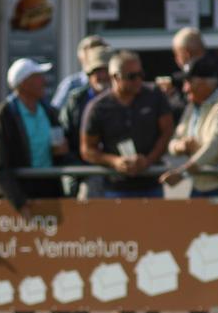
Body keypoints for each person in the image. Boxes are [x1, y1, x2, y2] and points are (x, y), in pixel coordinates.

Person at [80, 51, 174, 199]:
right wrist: (114, 161)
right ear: (115, 77)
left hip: (151, 183)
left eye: (140, 74)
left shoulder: (154, 95)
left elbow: (167, 131)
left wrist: (148, 160)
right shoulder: (98, 107)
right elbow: (87, 150)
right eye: (131, 76)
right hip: (116, 186)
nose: (138, 80)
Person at [0, 58, 66, 216]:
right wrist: (19, 201)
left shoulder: (48, 110)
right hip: (20, 197)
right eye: (37, 77)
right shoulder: (4, 114)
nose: (43, 81)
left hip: (49, 192)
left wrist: (63, 150)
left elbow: (60, 144)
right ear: (23, 83)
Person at [159, 58, 218, 197]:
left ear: (204, 84)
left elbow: (213, 147)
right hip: (199, 186)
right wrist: (181, 146)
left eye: (188, 82)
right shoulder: (192, 108)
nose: (185, 88)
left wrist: (182, 173)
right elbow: (173, 142)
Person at [171, 28, 218, 144]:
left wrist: (171, 98)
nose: (186, 89)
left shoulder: (208, 71)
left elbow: (197, 102)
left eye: (177, 55)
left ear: (186, 53)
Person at [59, 46, 112, 197]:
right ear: (89, 74)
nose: (102, 76)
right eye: (97, 71)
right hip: (85, 173)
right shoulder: (75, 101)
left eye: (106, 70)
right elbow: (65, 139)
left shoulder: (125, 99)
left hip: (119, 175)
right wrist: (80, 170)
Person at [51, 35, 108, 108]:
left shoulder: (114, 84)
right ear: (81, 58)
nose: (102, 75)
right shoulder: (71, 85)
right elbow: (56, 111)